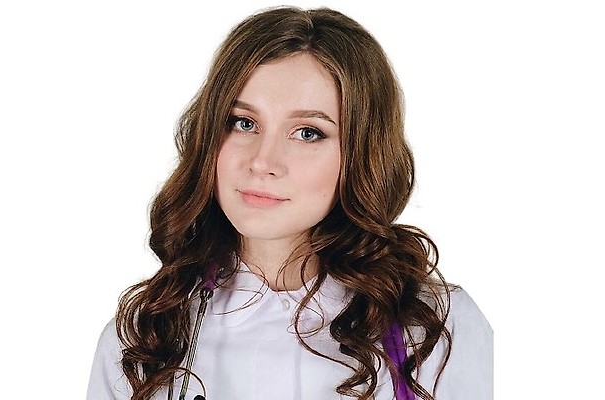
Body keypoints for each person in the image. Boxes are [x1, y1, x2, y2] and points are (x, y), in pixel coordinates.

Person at [87, 6, 492, 400]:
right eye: (243, 123)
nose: (263, 162)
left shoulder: (439, 329)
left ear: (361, 154)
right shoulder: (142, 339)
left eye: (308, 133)